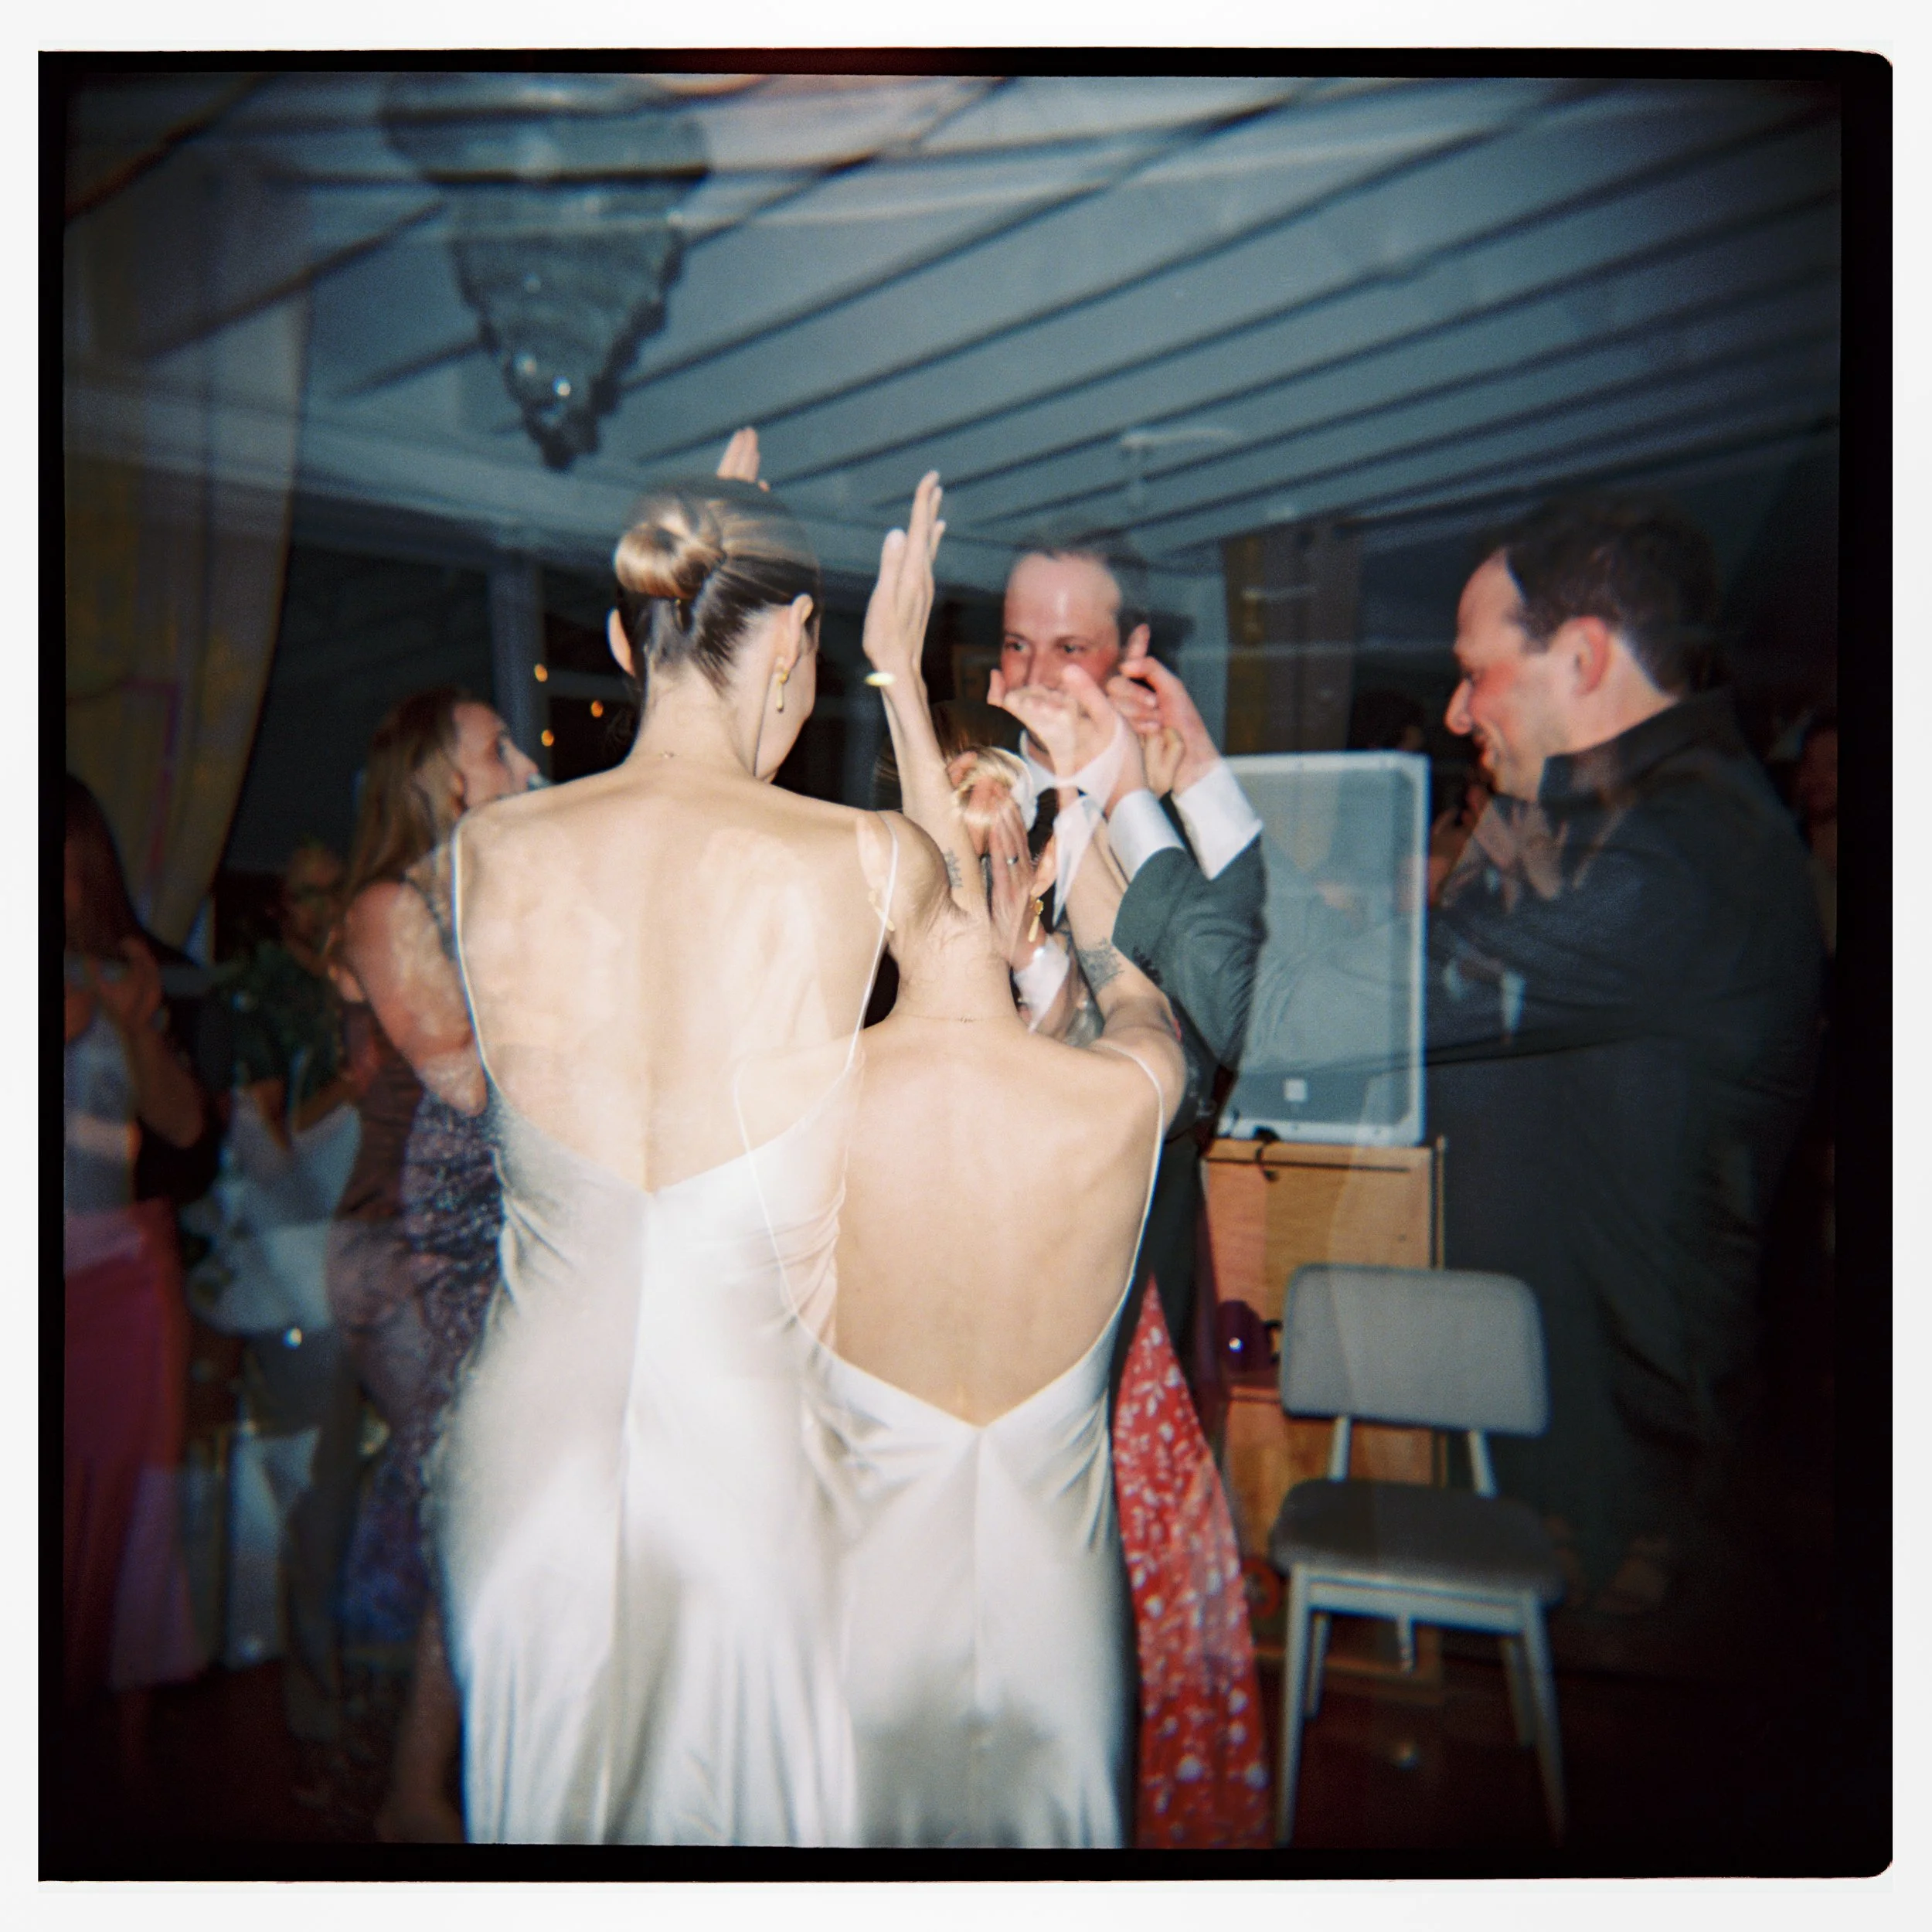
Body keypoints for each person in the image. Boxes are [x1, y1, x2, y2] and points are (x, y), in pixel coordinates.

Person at [1111, 495, 1825, 1615]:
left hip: (1617, 1502)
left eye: (1475, 670)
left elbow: (1283, 1017)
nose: (1453, 710)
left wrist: (1125, 819)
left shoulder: (1664, 871)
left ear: (1582, 657)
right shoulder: (1589, 828)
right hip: (1540, 1445)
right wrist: (1196, 776)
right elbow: (1352, 977)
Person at [428, 466, 947, 1845]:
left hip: (523, 1455)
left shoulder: (483, 850)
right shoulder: (867, 855)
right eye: (815, 656)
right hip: (755, 1468)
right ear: (794, 647)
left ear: (621, 640)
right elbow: (987, 990)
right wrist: (899, 678)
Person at [825, 579, 1189, 1845]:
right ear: (1023, 877)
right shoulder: (1127, 1093)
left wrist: (897, 686)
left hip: (866, 1621)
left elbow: (931, 885)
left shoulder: (796, 1103)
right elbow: (1132, 976)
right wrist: (1085, 811)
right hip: (1058, 1628)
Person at [314, 685, 534, 1825]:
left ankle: (409, 1776)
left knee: (459, 1501)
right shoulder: (390, 905)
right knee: (464, 1502)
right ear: (443, 780)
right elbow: (463, 1074)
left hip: (464, 1240)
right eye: (499, 749)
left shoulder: (470, 891)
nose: (522, 763)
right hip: (404, 1249)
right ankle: (409, 1789)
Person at [991, 540, 1264, 1369]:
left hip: (1134, 1242)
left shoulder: (1184, 828)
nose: (1033, 673)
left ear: (1132, 655)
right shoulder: (958, 794)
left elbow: (1208, 1058)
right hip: (985, 1233)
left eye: (1069, 647)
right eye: (1015, 642)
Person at [63, 776, 209, 1771]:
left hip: (113, 1274)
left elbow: (187, 1127)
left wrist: (127, 1020)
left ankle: (121, 1751)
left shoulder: (123, 974)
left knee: (125, 1511)